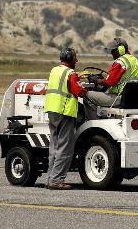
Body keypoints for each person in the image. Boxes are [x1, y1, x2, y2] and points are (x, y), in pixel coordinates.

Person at [45, 46, 86, 190]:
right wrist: (86, 91)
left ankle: (50, 178)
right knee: (65, 148)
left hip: (52, 111)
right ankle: (56, 181)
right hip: (65, 112)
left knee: (54, 147)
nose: (77, 60)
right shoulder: (71, 73)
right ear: (71, 59)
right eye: (75, 57)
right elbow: (78, 91)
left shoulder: (55, 70)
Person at [85, 37, 138, 116]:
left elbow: (108, 82)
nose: (111, 53)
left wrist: (95, 80)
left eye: (113, 50)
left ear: (121, 49)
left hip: (120, 98)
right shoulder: (134, 60)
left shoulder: (120, 62)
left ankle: (92, 122)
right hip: (134, 98)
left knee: (86, 95)